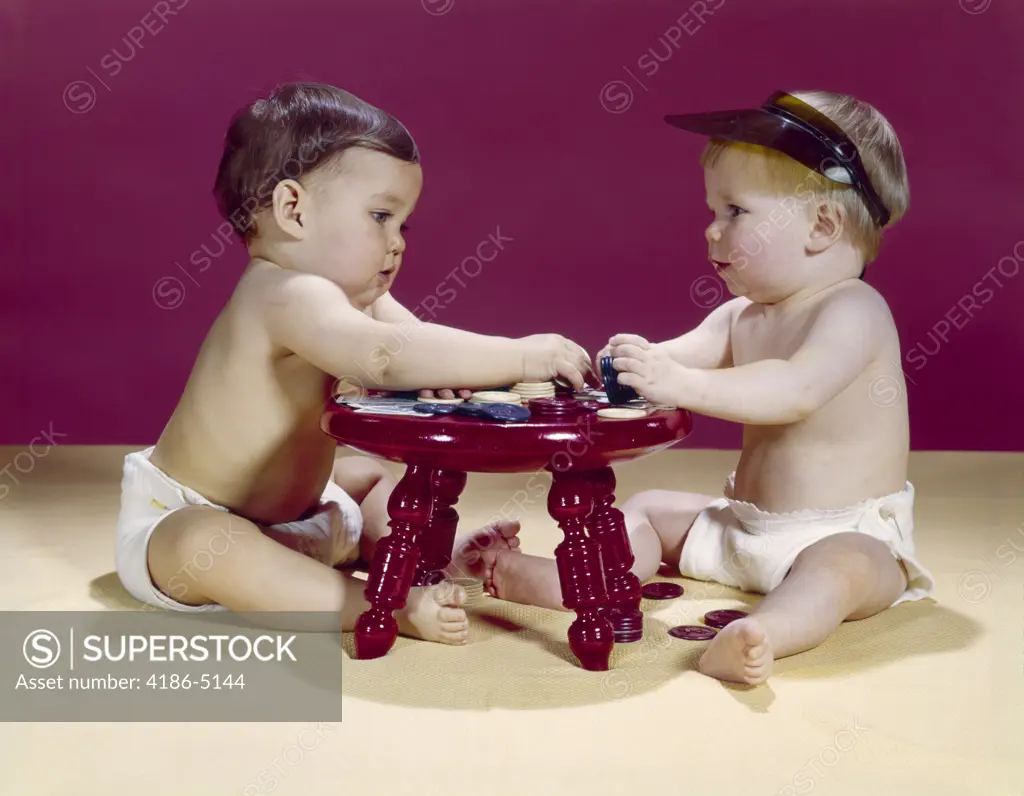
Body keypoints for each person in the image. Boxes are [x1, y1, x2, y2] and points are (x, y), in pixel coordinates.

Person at [115, 81, 593, 645]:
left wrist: (457, 373)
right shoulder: (282, 293)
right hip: (190, 524)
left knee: (365, 476)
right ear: (293, 209)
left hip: (305, 520)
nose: (397, 243)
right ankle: (378, 604)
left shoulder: (350, 296)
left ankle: (424, 563)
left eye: (403, 224)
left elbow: (418, 345)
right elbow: (385, 361)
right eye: (380, 216)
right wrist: (521, 352)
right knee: (208, 543)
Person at [485, 90, 935, 683]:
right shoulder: (742, 315)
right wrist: (618, 366)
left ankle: (763, 634)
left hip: (839, 530)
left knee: (846, 569)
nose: (711, 231)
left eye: (734, 211)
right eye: (713, 211)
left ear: (822, 225)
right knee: (648, 508)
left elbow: (793, 390)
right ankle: (570, 581)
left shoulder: (854, 310)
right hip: (741, 527)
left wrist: (677, 382)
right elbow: (669, 364)